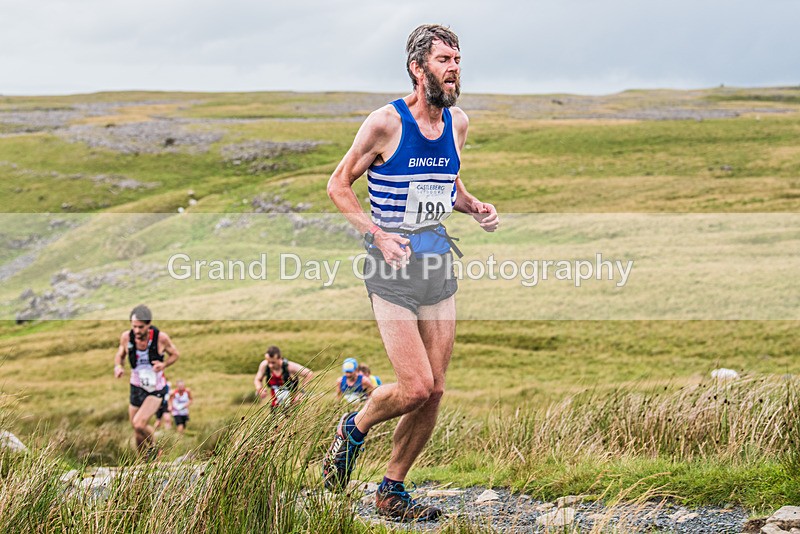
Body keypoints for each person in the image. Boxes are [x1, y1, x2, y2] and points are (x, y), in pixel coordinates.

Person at [323, 24, 499, 521]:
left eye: (458, 60)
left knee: (436, 389)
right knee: (416, 385)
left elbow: (448, 184)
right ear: (417, 68)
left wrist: (473, 206)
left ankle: (391, 489)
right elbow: (338, 185)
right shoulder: (385, 124)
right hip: (391, 266)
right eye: (444, 60)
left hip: (437, 262)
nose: (455, 68)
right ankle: (353, 428)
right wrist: (375, 232)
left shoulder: (458, 123)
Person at [113, 304, 180, 457]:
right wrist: (118, 366)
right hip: (136, 387)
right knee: (136, 430)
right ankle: (144, 463)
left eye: (141, 327)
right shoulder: (126, 337)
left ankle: (157, 449)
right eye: (134, 326)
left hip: (155, 388)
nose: (137, 330)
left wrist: (163, 364)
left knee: (139, 424)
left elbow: (175, 354)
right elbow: (120, 355)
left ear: (149, 325)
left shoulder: (160, 338)